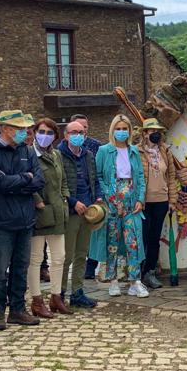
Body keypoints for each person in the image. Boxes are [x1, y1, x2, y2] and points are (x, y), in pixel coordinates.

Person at [0, 110, 45, 328]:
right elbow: (0, 184)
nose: (24, 132)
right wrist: (24, 178)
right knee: (0, 269)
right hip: (1, 221)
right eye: (19, 128)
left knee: (21, 267)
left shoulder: (27, 150)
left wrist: (17, 181)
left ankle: (17, 309)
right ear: (5, 129)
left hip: (25, 219)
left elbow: (39, 181)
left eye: (24, 128)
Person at [90, 114, 147, 297]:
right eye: (118, 128)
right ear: (112, 130)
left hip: (132, 201)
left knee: (133, 242)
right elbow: (98, 176)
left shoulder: (134, 151)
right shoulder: (104, 151)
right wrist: (111, 198)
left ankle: (134, 281)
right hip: (112, 201)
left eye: (125, 129)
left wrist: (140, 199)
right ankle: (113, 280)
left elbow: (139, 177)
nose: (121, 132)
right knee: (112, 242)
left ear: (129, 131)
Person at [27, 117, 72, 318]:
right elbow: (27, 180)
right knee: (35, 258)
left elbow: (63, 180)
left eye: (50, 132)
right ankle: (36, 300)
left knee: (59, 256)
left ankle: (56, 296)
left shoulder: (57, 154)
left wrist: (65, 196)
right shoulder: (28, 154)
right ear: (35, 132)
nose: (45, 136)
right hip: (39, 212)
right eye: (41, 131)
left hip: (58, 211)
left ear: (55, 135)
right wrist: (38, 201)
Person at [58, 119, 99, 309]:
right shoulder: (59, 155)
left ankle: (77, 292)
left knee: (82, 253)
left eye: (81, 132)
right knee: (66, 255)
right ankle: (60, 293)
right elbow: (59, 185)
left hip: (88, 212)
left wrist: (98, 197)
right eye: (74, 132)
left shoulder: (89, 155)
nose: (78, 136)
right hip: (70, 212)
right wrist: (74, 202)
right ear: (66, 135)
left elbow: (94, 179)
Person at [138, 118, 178, 290]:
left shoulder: (165, 151)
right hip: (143, 202)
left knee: (154, 239)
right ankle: (137, 272)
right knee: (142, 238)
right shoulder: (137, 152)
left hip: (161, 201)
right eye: (151, 131)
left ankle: (150, 272)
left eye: (158, 131)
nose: (155, 134)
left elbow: (171, 177)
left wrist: (172, 200)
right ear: (144, 134)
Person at [71, 114, 103, 281]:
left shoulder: (95, 146)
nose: (82, 132)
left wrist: (98, 195)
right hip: (74, 201)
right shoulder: (63, 151)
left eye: (85, 129)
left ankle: (90, 267)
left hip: (92, 200)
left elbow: (98, 173)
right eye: (78, 129)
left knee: (93, 236)